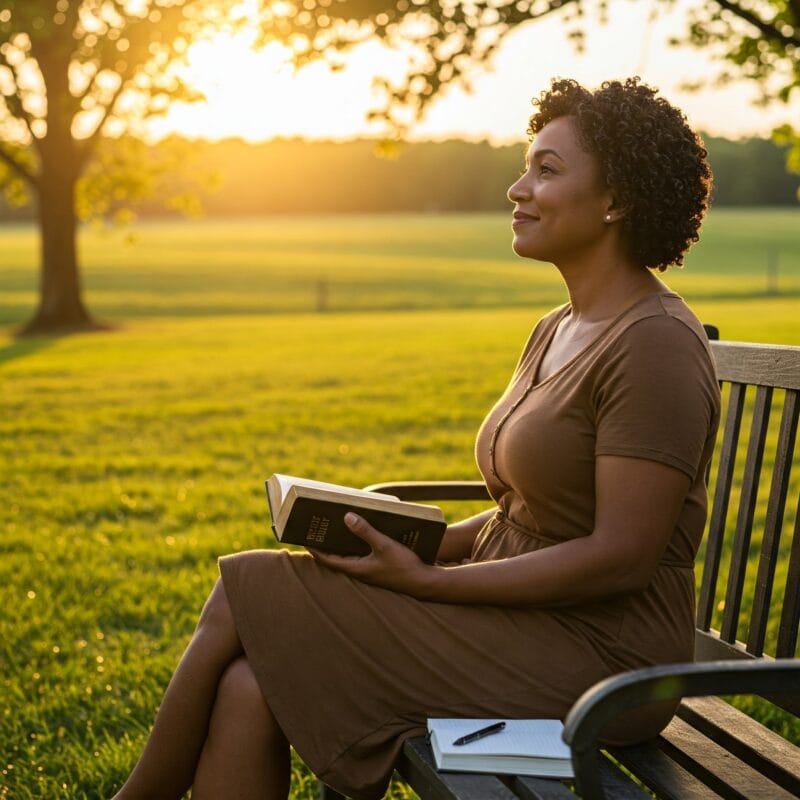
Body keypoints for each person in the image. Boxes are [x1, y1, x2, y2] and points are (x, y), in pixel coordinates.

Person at [112, 77, 720, 800]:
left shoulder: (654, 343)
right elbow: (530, 515)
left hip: (605, 663)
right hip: (524, 622)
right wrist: (412, 542)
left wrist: (433, 582)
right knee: (248, 684)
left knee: (250, 588)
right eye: (526, 166)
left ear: (616, 199)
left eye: (547, 169)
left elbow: (620, 556)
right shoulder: (559, 326)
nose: (517, 188)